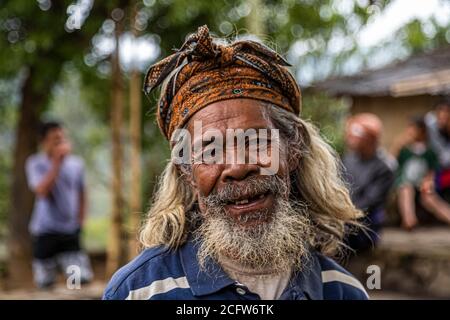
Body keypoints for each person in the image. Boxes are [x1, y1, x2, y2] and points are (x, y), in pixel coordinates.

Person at [103, 25, 368, 300]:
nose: (238, 168)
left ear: (293, 149)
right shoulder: (138, 292)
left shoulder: (343, 292)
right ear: (187, 172)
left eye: (255, 142)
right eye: (210, 151)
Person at [25, 121, 93, 288]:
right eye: (55, 140)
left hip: (70, 230)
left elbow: (82, 193)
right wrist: (56, 163)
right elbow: (42, 191)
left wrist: (81, 220)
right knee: (45, 282)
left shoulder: (76, 164)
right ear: (43, 142)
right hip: (45, 230)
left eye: (62, 139)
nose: (60, 143)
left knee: (76, 281)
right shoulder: (35, 163)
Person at [342, 113, 395, 253]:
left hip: (365, 228)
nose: (350, 138)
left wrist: (341, 215)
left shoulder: (384, 168)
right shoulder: (349, 160)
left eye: (356, 134)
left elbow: (368, 204)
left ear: (371, 139)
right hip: (343, 218)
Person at [394, 116, 450, 230]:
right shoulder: (404, 150)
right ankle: (409, 220)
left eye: (413, 129)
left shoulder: (429, 151)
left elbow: (432, 171)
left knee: (429, 196)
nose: (409, 132)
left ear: (422, 131)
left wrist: (428, 181)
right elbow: (393, 164)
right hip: (405, 183)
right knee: (406, 190)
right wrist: (397, 146)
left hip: (422, 183)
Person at [425, 98, 450, 200]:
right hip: (438, 172)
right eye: (440, 111)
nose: (443, 115)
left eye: (447, 112)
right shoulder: (432, 124)